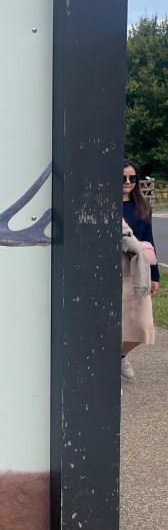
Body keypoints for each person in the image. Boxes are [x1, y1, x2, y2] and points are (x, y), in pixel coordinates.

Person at [121, 160, 159, 379]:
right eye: (123, 178)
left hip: (138, 270)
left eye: (132, 178)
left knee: (143, 325)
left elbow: (149, 241)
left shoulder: (142, 207)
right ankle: (109, 366)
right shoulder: (106, 205)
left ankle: (119, 356)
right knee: (116, 323)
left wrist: (155, 276)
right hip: (114, 268)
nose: (128, 182)